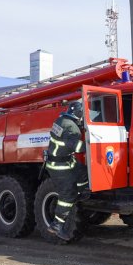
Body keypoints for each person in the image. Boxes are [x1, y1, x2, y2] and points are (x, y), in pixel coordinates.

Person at [45, 100, 89, 240]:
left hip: (63, 160)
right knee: (67, 195)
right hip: (60, 166)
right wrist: (91, 146)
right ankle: (56, 225)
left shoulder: (60, 120)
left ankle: (81, 193)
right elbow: (75, 147)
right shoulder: (72, 129)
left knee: (83, 172)